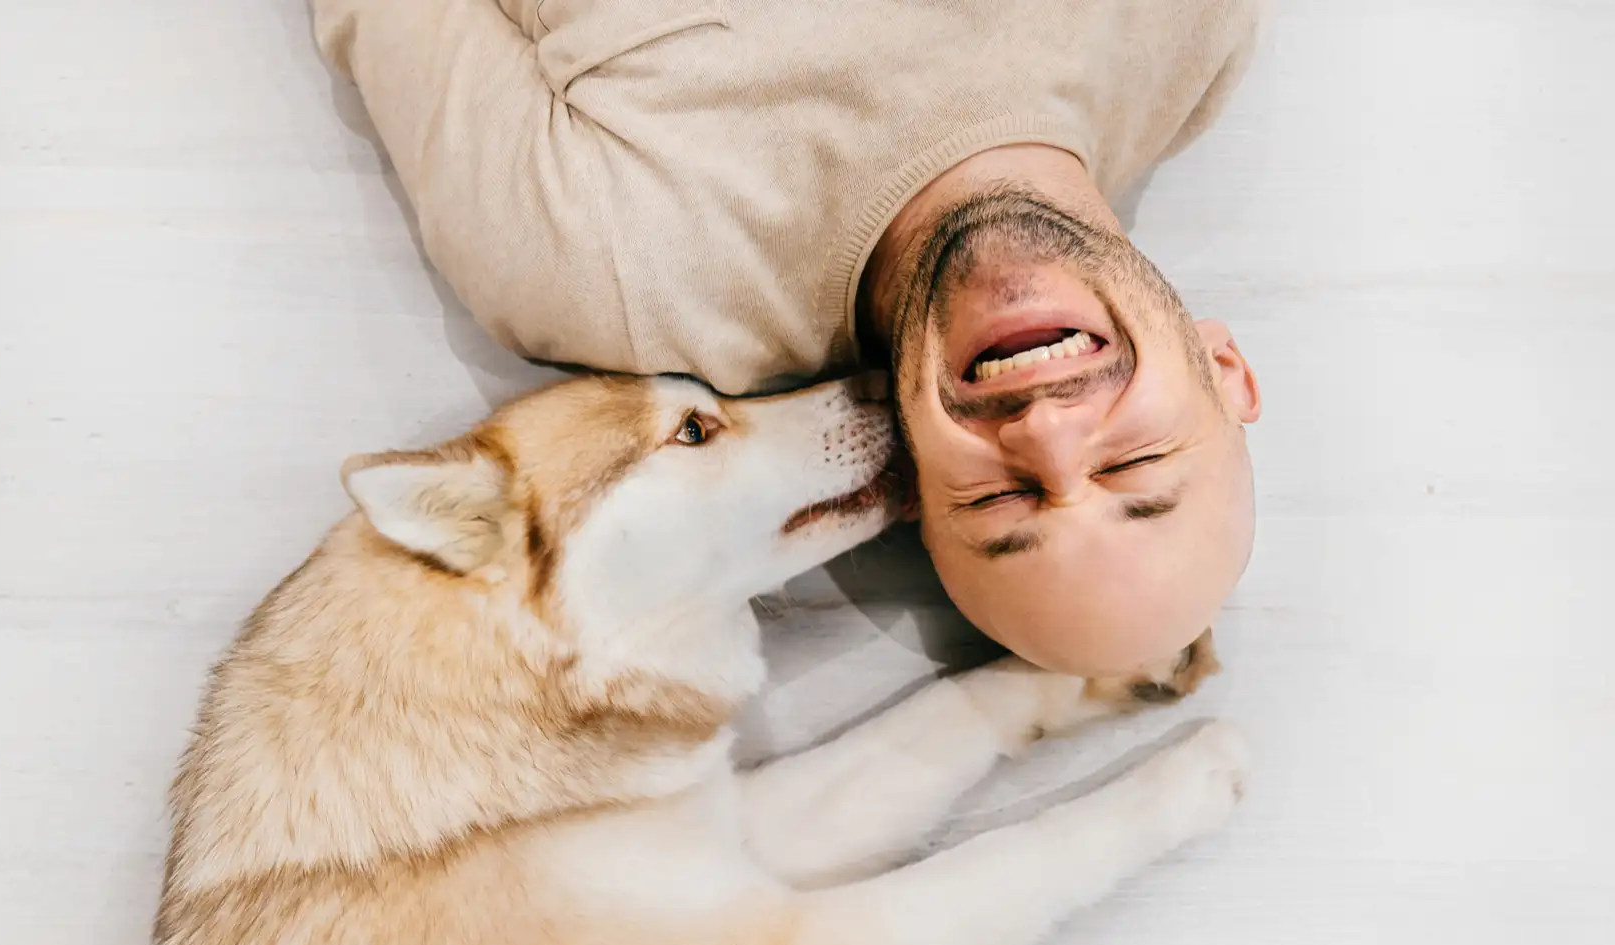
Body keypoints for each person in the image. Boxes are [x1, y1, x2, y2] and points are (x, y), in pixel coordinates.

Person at [311, 0, 1266, 677]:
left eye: (1001, 498)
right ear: (1226, 373)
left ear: (905, 483)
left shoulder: (614, 269)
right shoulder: (1187, 31)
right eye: (1134, 461)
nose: (1048, 434)